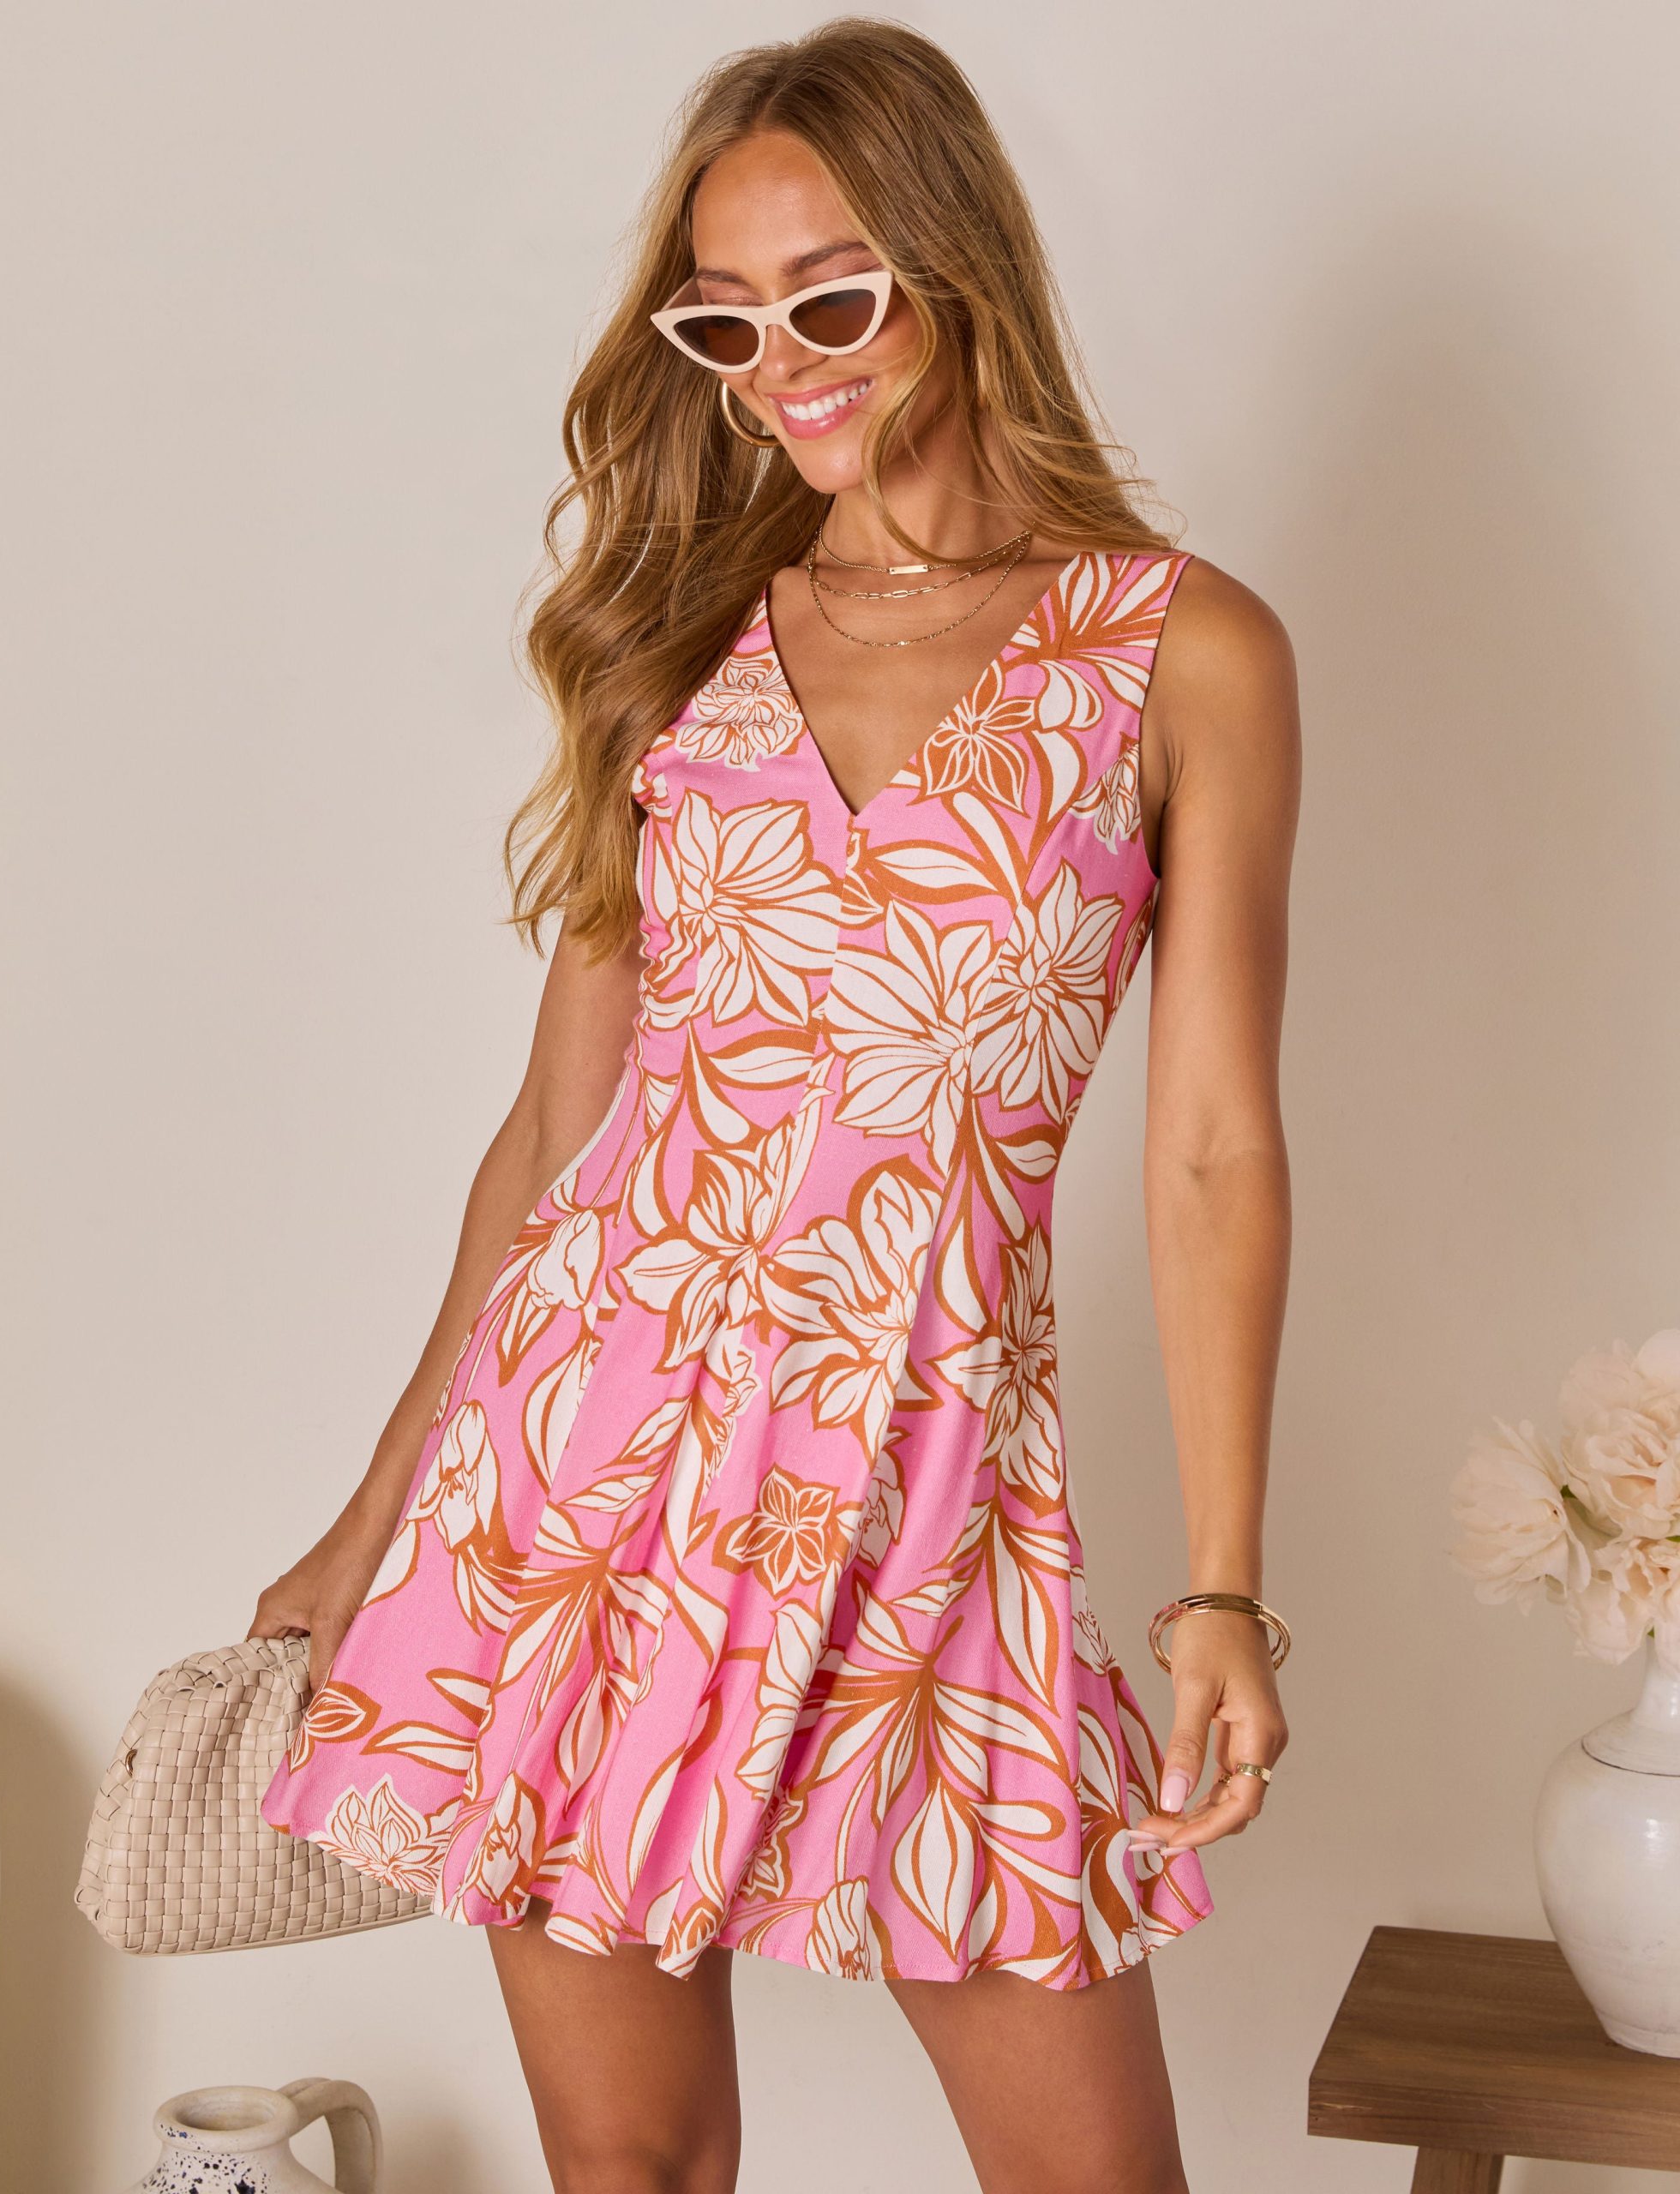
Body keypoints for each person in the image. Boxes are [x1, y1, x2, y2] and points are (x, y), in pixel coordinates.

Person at [250, 20, 1298, 2192]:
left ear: (957, 270)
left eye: (832, 301)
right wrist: (370, 1513)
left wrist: (1221, 1585)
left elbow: (1212, 1147)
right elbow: (553, 1136)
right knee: (633, 2169)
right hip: (585, 1468)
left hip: (936, 1481)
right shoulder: (682, 639)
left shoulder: (1180, 652)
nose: (780, 368)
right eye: (724, 321)